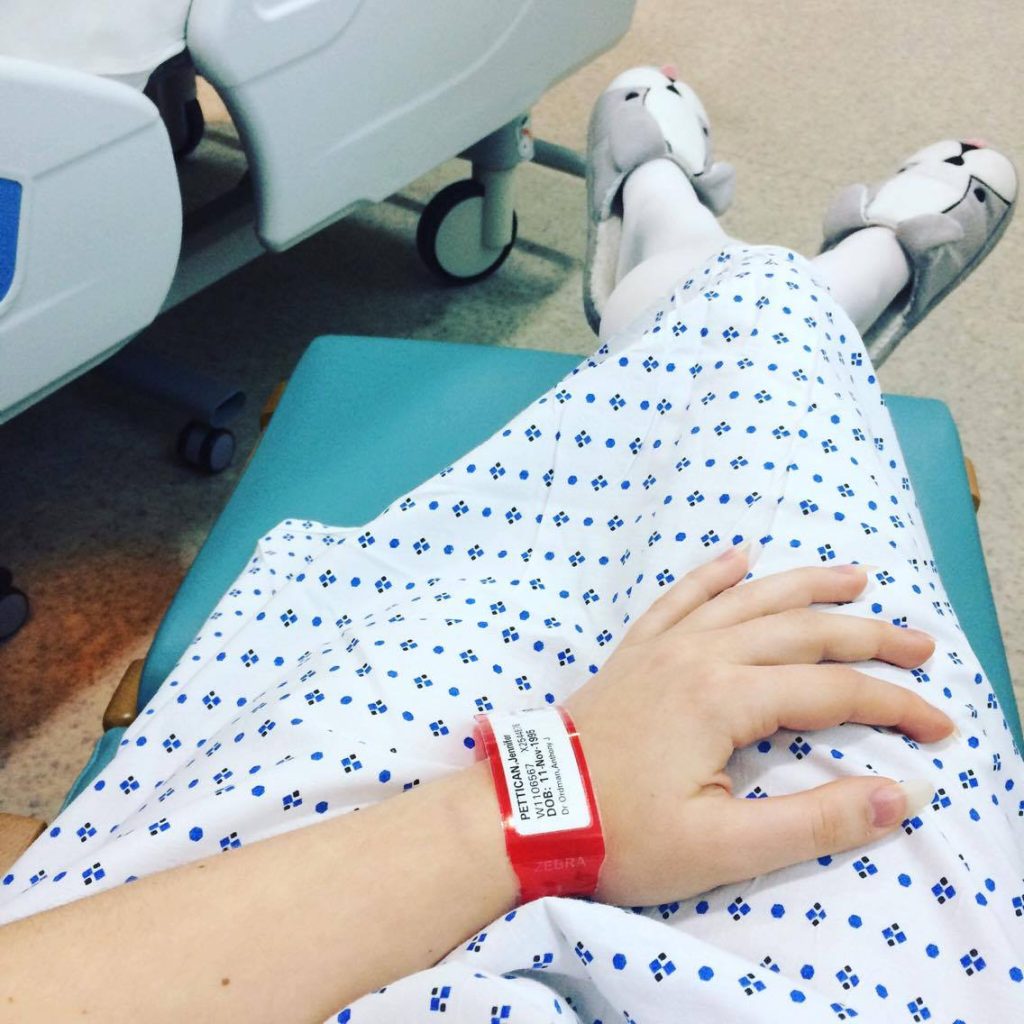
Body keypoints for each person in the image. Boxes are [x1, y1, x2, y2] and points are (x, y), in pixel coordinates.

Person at [1, 67, 1020, 1023]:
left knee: (763, 632)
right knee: (842, 691)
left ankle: (719, 267)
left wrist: (544, 796)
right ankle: (760, 277)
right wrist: (558, 796)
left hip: (238, 922)